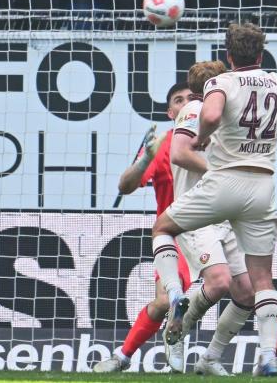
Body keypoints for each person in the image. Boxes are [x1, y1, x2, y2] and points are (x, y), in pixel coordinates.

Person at [151, 22, 277, 376]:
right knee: (262, 279)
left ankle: (174, 294)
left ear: (229, 56)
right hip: (262, 188)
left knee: (162, 228)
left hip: (224, 182)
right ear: (261, 55)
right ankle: (268, 356)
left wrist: (202, 137)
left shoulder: (221, 83)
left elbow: (212, 114)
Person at [167, 60, 277, 376]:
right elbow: (180, 153)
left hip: (229, 212)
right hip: (200, 212)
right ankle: (176, 330)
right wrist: (221, 173)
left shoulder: (233, 115)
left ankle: (211, 357)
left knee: (247, 291)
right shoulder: (196, 109)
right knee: (219, 281)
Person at [94, 82, 193, 373]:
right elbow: (124, 186)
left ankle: (272, 357)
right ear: (170, 112)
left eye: (192, 98)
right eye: (178, 100)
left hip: (215, 233)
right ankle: (123, 356)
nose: (186, 103)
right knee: (164, 301)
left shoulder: (218, 139)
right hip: (175, 236)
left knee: (249, 289)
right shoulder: (162, 145)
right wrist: (146, 159)